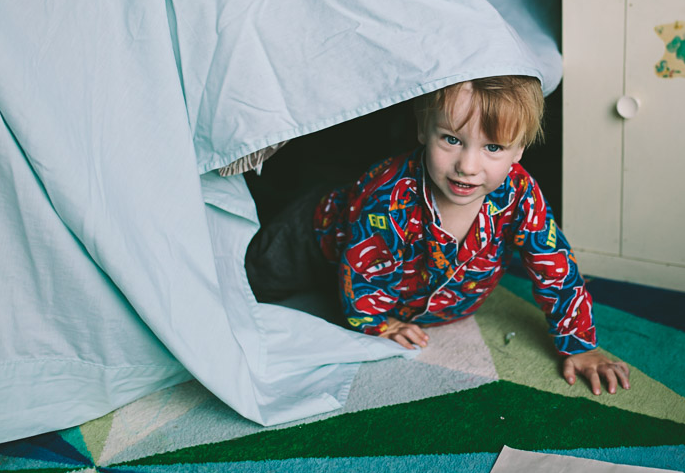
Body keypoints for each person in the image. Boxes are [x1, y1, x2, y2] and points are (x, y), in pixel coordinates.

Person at [246, 75, 630, 395]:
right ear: (422, 130)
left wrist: (580, 344)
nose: (467, 165)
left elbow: (554, 265)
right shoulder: (390, 197)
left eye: (493, 147)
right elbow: (361, 266)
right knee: (251, 273)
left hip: (427, 291)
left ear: (519, 151)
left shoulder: (520, 194)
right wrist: (378, 322)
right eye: (451, 139)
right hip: (313, 234)